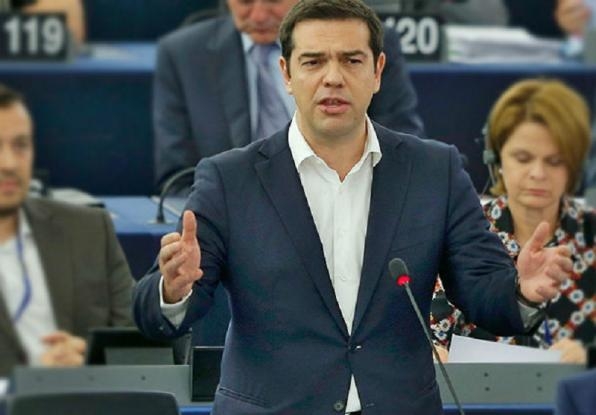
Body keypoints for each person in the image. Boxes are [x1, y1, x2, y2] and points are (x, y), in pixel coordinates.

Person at [134, 1, 572, 413]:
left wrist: (521, 291)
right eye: (313, 62)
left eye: (351, 60)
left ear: (378, 71)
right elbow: (154, 314)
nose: (333, 78)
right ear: (286, 73)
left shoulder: (434, 170)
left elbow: (480, 289)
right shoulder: (230, 179)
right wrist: (173, 290)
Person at [153, 0, 425, 189]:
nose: (259, 15)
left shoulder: (362, 41)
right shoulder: (183, 55)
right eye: (245, 2)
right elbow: (177, 179)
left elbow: (401, 153)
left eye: (273, 1)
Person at [431, 79, 595, 364]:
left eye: (554, 161)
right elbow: (430, 333)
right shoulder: (460, 232)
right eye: (523, 158)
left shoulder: (589, 235)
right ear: (496, 160)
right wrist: (433, 354)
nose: (538, 173)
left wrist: (591, 358)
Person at [0, 83, 133, 377]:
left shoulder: (88, 230)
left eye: (21, 146)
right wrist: (32, 380)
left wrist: (89, 361)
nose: (9, 163)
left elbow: (137, 347)